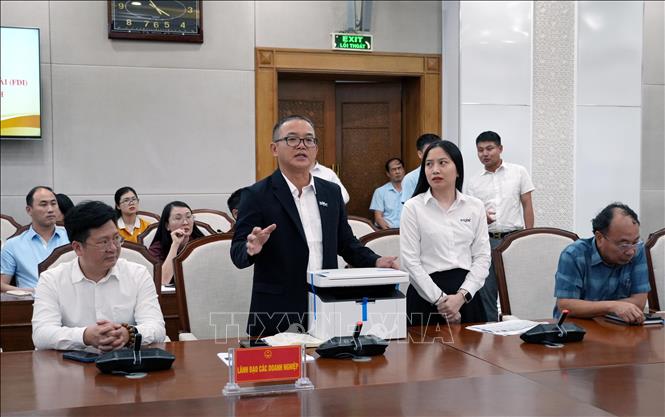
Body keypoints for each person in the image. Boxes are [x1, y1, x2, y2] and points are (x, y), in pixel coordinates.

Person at [231, 114, 398, 337]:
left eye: (309, 140)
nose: (302, 145)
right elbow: (237, 252)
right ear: (274, 148)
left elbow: (346, 243)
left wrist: (376, 260)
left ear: (316, 149)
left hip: (327, 301)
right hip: (278, 309)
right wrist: (250, 248)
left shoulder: (331, 192)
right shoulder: (256, 195)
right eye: (292, 139)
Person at [31, 201, 165, 351]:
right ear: (78, 248)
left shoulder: (138, 274)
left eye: (116, 238)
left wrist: (128, 334)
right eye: (103, 242)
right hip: (71, 363)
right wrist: (85, 336)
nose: (113, 248)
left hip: (125, 361)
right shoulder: (51, 280)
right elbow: (41, 334)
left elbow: (157, 328)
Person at [400, 140, 490, 325]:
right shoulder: (413, 207)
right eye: (429, 164)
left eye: (442, 163)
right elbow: (410, 262)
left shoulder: (475, 206)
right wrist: (442, 302)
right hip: (426, 297)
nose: (435, 170)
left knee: (473, 344)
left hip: (467, 297)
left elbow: (482, 257)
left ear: (458, 170)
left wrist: (461, 297)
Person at [465, 130, 535, 321]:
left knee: (515, 288)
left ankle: (519, 326)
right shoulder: (473, 181)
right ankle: (491, 328)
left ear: (500, 149)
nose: (485, 154)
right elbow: (471, 215)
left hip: (514, 239)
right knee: (486, 288)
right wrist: (482, 218)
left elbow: (527, 204)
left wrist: (529, 236)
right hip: (486, 240)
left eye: (489, 148)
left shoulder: (518, 172)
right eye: (480, 150)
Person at [554, 203, 649, 324]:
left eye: (635, 242)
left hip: (617, 327)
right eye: (623, 244)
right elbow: (566, 305)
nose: (630, 251)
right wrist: (612, 306)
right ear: (599, 237)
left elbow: (639, 302)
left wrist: (593, 308)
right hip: (577, 327)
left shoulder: (637, 251)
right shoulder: (574, 255)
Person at [1, 186, 70, 292]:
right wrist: (34, 292)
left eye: (53, 204)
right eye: (43, 204)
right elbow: (2, 285)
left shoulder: (72, 237)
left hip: (68, 297)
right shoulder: (13, 245)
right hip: (31, 299)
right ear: (29, 210)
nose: (50, 209)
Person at [149, 201, 205, 285]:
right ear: (167, 225)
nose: (185, 222)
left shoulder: (202, 244)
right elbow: (162, 281)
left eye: (188, 217)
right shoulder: (157, 248)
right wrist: (175, 245)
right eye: (178, 218)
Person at [400, 133, 441, 204]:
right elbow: (408, 207)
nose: (434, 155)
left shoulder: (447, 173)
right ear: (420, 154)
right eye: (429, 152)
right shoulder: (410, 179)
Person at [369, 157, 405, 229]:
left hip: (408, 231)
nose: (397, 172)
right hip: (387, 231)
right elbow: (378, 218)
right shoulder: (380, 192)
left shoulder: (412, 190)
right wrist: (389, 233)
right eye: (394, 169)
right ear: (388, 174)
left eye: (399, 168)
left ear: (404, 170)